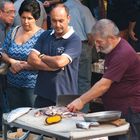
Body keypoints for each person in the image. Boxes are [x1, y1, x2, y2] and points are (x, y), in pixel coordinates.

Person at [67, 19, 140, 140]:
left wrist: (81, 100)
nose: (97, 45)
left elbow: (103, 85)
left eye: (99, 41)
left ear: (111, 38)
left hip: (130, 112)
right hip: (117, 111)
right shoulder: (112, 50)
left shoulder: (122, 53)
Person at [28, 4, 82, 108]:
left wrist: (42, 56)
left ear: (68, 18)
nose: (57, 25)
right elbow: (31, 58)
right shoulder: (45, 35)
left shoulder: (74, 40)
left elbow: (60, 62)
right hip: (42, 94)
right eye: (54, 20)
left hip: (65, 97)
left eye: (61, 21)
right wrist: (51, 67)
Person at [1, 0, 44, 111]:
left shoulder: (43, 35)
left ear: (36, 18)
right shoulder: (13, 31)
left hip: (33, 86)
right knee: (14, 119)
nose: (25, 21)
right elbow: (2, 52)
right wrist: (12, 61)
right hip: (12, 84)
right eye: (23, 17)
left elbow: (44, 62)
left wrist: (23, 66)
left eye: (29, 18)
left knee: (33, 119)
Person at [64, 0, 96, 95]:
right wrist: (92, 46)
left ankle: (67, 107)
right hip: (82, 45)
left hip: (64, 45)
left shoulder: (61, 8)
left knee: (66, 80)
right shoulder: (83, 9)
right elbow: (91, 34)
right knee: (83, 81)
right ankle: (83, 108)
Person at [0, 0, 15, 136]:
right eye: (9, 12)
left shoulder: (7, 27)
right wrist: (11, 61)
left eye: (14, 12)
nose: (13, 15)